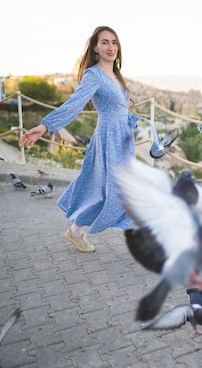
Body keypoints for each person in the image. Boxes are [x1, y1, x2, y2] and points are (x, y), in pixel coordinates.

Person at [19, 26, 137, 252]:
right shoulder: (94, 75)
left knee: (116, 187)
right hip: (108, 138)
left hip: (122, 138)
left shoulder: (116, 75)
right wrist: (45, 126)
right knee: (110, 188)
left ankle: (75, 231)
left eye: (114, 42)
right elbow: (74, 104)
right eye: (104, 42)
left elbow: (119, 106)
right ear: (95, 47)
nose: (110, 47)